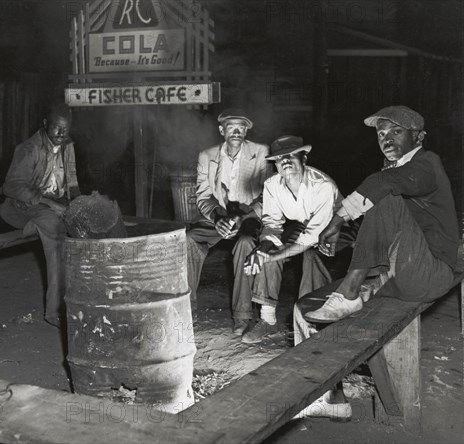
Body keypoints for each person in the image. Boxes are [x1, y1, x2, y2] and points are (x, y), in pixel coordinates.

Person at [292, 105, 459, 422]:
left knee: (386, 192)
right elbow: (378, 231)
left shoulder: (427, 163)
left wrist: (338, 218)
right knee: (304, 308)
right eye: (382, 133)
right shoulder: (392, 172)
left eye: (396, 131)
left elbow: (387, 189)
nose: (387, 138)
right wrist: (337, 242)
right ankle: (327, 397)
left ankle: (350, 294)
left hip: (432, 272)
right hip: (399, 274)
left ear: (417, 136)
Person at [241, 135, 341, 343]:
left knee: (312, 255)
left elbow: (312, 238)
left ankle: (311, 324)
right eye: (279, 158)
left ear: (303, 158)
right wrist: (264, 250)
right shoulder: (272, 185)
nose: (285, 161)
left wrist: (274, 256)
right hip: (304, 226)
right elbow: (272, 226)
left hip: (337, 227)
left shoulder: (323, 185)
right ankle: (268, 321)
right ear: (275, 164)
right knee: (266, 250)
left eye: (290, 156)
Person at [186, 108, 273, 332]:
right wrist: (217, 218)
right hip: (220, 214)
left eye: (241, 127)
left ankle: (242, 316)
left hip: (248, 215)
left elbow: (269, 195)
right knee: (189, 239)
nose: (236, 131)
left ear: (245, 131)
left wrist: (245, 216)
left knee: (245, 244)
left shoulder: (262, 152)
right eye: (231, 126)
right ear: (221, 130)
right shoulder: (207, 155)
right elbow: (203, 195)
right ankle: (186, 309)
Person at [0, 102, 80, 327]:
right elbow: (11, 187)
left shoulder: (68, 146)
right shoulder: (29, 148)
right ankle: (54, 311)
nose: (61, 134)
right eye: (56, 128)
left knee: (80, 227)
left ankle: (78, 303)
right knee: (53, 228)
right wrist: (48, 203)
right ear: (45, 124)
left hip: (51, 205)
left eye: (66, 129)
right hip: (20, 207)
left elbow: (72, 184)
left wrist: (79, 205)